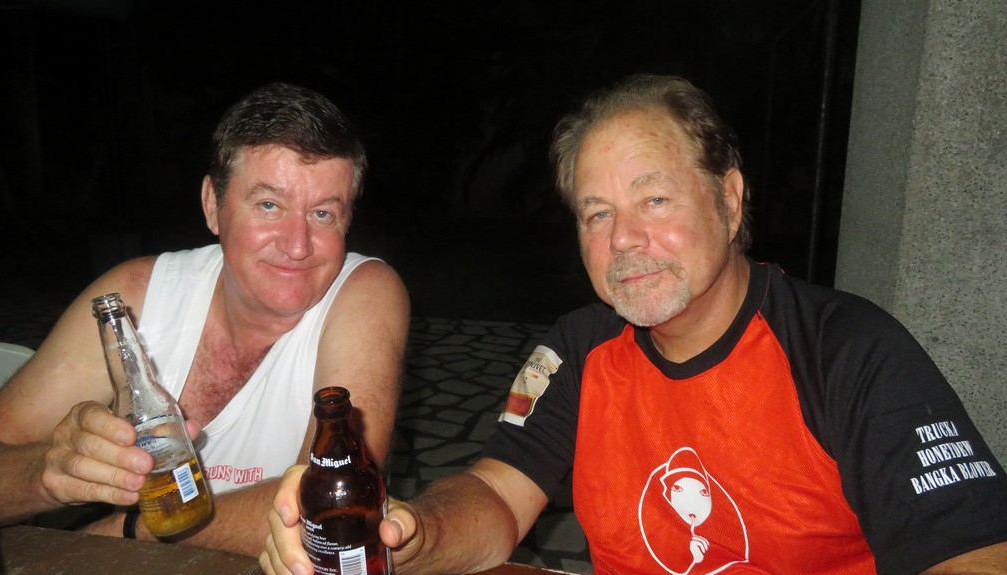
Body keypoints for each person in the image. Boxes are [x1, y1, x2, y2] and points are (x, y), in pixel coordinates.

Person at [261, 75, 1007, 574]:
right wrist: (409, 531)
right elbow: (496, 496)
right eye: (596, 213)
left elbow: (973, 552)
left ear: (730, 200)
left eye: (654, 200)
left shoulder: (847, 350)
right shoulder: (581, 348)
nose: (622, 239)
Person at [0, 82, 410, 556]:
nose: (297, 245)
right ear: (213, 205)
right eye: (269, 205)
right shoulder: (134, 301)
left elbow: (332, 500)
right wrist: (49, 474)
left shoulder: (366, 293)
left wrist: (133, 529)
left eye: (323, 214)